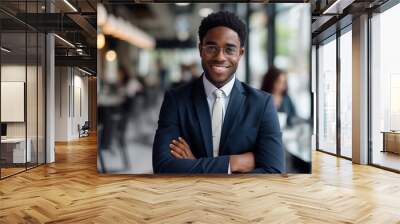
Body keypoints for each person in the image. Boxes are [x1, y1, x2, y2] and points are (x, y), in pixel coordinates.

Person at [152, 11, 284, 174]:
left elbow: (274, 172)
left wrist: (195, 164)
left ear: (240, 53)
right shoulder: (176, 100)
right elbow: (163, 166)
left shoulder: (262, 104)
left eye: (229, 49)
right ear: (200, 49)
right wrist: (233, 163)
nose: (220, 57)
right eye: (211, 48)